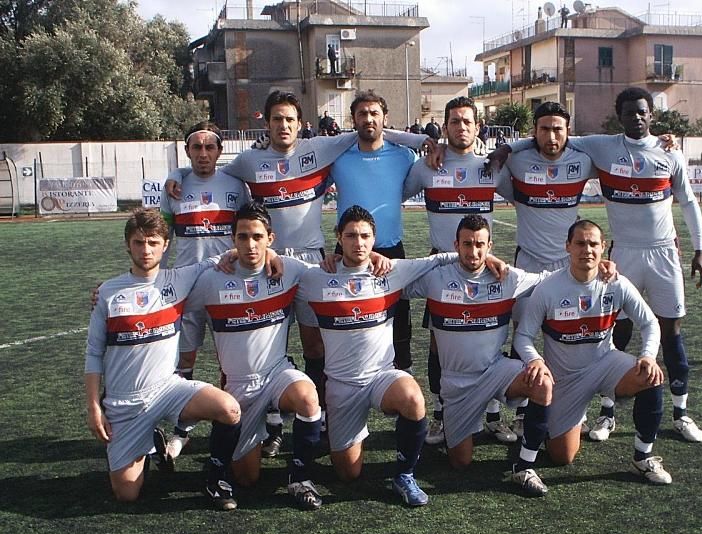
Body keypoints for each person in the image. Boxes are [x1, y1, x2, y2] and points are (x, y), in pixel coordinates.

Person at [166, 91, 428, 454]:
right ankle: (264, 420)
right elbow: (210, 174)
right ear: (267, 123)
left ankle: (318, 415)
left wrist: (425, 139)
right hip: (264, 262)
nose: (283, 125)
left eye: (289, 119)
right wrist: (178, 172)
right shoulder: (249, 160)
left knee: (315, 343)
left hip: (309, 263)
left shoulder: (319, 149)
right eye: (276, 119)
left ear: (300, 123)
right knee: (254, 345)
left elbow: (371, 129)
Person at [497, 87, 702, 443]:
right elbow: (553, 136)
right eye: (629, 112)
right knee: (596, 334)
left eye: (642, 111)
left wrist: (700, 249)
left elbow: (687, 201)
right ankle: (589, 413)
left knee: (668, 332)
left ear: (651, 115)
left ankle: (680, 412)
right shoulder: (600, 147)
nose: (636, 117)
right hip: (610, 252)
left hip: (659, 253)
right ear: (618, 116)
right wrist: (507, 147)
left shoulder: (667, 153)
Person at [296, 206, 461, 506]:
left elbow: (439, 260)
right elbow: (275, 262)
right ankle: (353, 434)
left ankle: (405, 474)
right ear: (339, 237)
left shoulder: (390, 270)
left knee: (413, 397)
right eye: (351, 236)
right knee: (348, 474)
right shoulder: (316, 276)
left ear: (374, 239)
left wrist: (488, 258)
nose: (358, 243)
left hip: (381, 377)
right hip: (342, 385)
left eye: (365, 236)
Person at [84, 209, 245, 505]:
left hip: (168, 390)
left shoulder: (179, 278)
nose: (146, 250)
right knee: (126, 494)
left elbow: (223, 257)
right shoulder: (108, 293)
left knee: (229, 409)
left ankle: (216, 477)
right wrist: (94, 407)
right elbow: (94, 353)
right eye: (138, 242)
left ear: (165, 245)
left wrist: (256, 253)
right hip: (125, 402)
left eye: (153, 242)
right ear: (127, 245)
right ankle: (149, 446)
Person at [185, 203, 323, 510]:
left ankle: (300, 479)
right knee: (247, 478)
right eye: (243, 237)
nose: (250, 244)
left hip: (277, 374)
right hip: (238, 385)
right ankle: (222, 467)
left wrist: (374, 258)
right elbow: (171, 302)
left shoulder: (289, 270)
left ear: (270, 238)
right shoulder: (211, 280)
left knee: (307, 397)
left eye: (258, 237)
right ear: (232, 239)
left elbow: (331, 274)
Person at [514, 220, 672, 489]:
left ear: (602, 248)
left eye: (592, 244)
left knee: (651, 376)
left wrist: (647, 355)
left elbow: (650, 323)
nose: (586, 250)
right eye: (580, 243)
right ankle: (555, 423)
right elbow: (522, 336)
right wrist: (535, 360)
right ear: (567, 247)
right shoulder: (549, 288)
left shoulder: (617, 283)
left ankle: (642, 457)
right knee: (562, 457)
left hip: (605, 364)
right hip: (565, 379)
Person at [404, 215, 553, 494]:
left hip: (496, 370)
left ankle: (524, 466)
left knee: (542, 382)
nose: (473, 252)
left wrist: (596, 267)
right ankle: (463, 423)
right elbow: (395, 279)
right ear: (456, 246)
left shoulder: (508, 277)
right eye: (467, 244)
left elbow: (551, 280)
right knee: (460, 462)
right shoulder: (436, 278)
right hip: (457, 383)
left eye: (480, 245)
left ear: (489, 246)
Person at [404, 95, 516, 445]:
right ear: (445, 127)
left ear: (478, 127)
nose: (461, 127)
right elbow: (391, 198)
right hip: (443, 269)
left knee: (491, 341)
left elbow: (527, 201)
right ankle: (440, 415)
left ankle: (494, 415)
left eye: (468, 121)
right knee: (439, 345)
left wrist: (508, 148)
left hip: (485, 267)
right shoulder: (426, 167)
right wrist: (424, 142)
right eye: (454, 121)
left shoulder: (491, 167)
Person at [494, 101, 596, 437]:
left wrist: (662, 143)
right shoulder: (518, 161)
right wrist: (510, 147)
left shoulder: (583, 161)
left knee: (568, 337)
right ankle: (522, 410)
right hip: (528, 262)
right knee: (522, 334)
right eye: (544, 129)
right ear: (533, 132)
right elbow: (497, 163)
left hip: (568, 266)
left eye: (558, 129)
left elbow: (615, 149)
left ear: (568, 132)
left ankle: (572, 405)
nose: (551, 136)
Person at [157, 121, 251, 460]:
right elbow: (163, 237)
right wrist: (157, 278)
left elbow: (250, 229)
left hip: (228, 285)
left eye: (209, 147)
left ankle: (238, 422)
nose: (203, 153)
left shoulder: (236, 186)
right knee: (185, 358)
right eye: (196, 147)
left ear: (219, 151)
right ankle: (182, 430)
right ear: (187, 151)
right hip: (187, 286)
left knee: (234, 360)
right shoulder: (175, 188)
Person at [330, 90, 432, 372]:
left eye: (374, 113)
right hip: (348, 250)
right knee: (347, 316)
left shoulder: (404, 156)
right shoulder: (338, 158)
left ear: (385, 118)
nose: (368, 119)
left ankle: (402, 372)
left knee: (398, 318)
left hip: (390, 249)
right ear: (353, 120)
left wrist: (422, 141)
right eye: (362, 114)